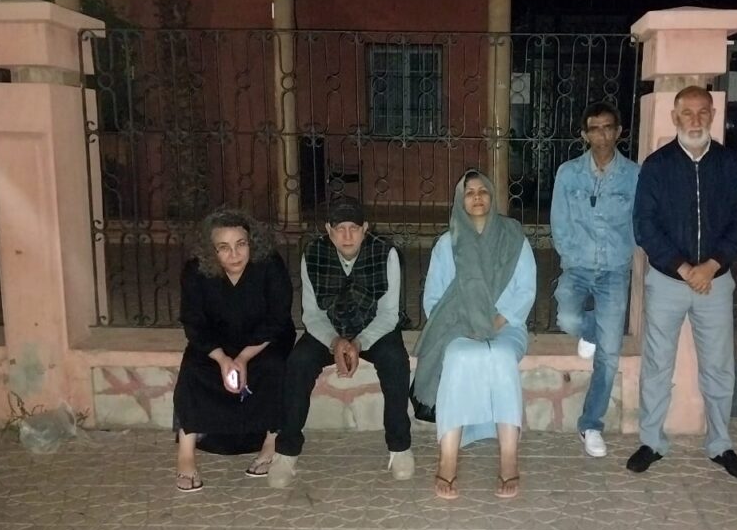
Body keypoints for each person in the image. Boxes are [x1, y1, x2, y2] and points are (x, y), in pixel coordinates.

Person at [629, 85, 737, 479]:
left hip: (715, 282)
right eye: (687, 112)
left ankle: (720, 444)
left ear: (713, 115)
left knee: (718, 368)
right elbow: (644, 226)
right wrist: (685, 269)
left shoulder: (728, 164)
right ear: (675, 117)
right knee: (657, 365)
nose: (695, 120)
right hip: (668, 281)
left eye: (703, 112)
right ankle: (651, 441)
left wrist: (711, 266)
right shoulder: (657, 166)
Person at [268, 196, 413, 488]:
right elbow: (311, 314)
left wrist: (359, 343)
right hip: (329, 328)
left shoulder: (386, 254)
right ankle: (286, 451)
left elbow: (388, 314)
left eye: (354, 228)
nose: (347, 236)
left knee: (395, 361)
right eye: (340, 228)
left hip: (374, 328)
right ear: (329, 230)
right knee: (298, 363)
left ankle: (400, 447)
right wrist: (335, 342)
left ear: (365, 228)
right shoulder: (313, 254)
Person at [412, 170, 536, 500]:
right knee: (457, 355)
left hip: (506, 325)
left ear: (492, 196)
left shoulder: (513, 237)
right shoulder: (447, 243)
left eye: (483, 191)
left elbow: (525, 290)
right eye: (469, 192)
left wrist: (496, 320)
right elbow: (434, 299)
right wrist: (465, 323)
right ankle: (448, 457)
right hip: (459, 326)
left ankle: (509, 457)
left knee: (502, 356)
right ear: (460, 200)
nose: (477, 197)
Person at [174, 207, 295, 492]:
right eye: (224, 247)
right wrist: (221, 359)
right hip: (215, 343)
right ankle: (185, 454)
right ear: (211, 251)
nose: (235, 254)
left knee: (274, 366)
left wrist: (242, 358)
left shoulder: (269, 264)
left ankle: (270, 441)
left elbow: (278, 317)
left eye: (241, 244)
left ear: (252, 243)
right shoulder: (195, 271)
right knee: (192, 369)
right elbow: (193, 322)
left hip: (263, 340)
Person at [550, 101, 640, 458]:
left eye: (607, 127)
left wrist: (624, 253)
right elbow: (559, 222)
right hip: (577, 266)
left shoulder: (634, 175)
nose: (601, 134)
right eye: (594, 128)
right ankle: (590, 331)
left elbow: (639, 221)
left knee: (609, 353)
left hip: (615, 271)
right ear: (584, 135)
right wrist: (572, 256)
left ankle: (590, 424)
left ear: (618, 132)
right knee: (566, 317)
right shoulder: (569, 173)